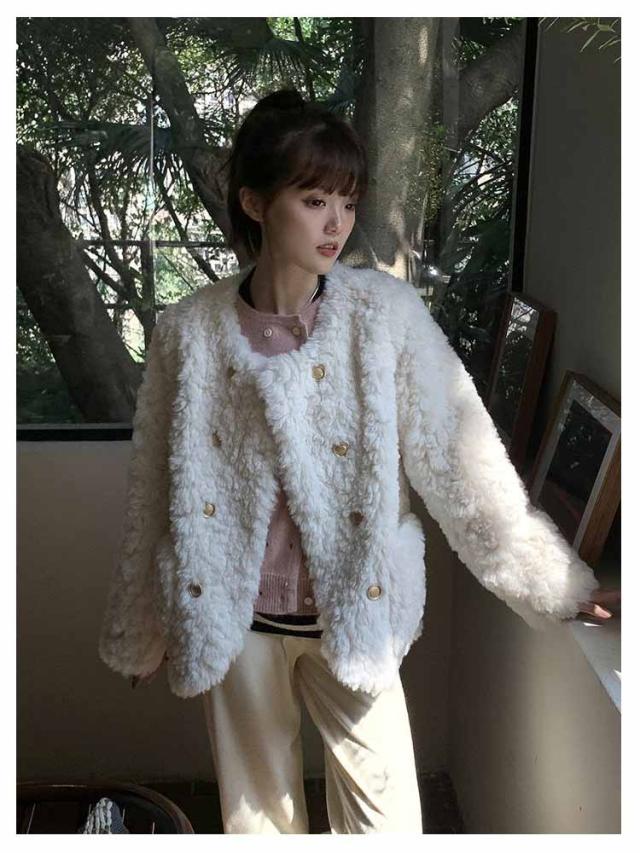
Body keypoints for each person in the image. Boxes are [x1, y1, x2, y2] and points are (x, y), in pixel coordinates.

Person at [98, 88, 618, 834]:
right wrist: (142, 627)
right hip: (234, 618)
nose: (337, 223)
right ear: (254, 202)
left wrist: (554, 585)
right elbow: (156, 485)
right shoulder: (189, 331)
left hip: (354, 609)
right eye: (314, 200)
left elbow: (460, 461)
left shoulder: (385, 317)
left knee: (386, 824)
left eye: (347, 201)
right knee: (258, 823)